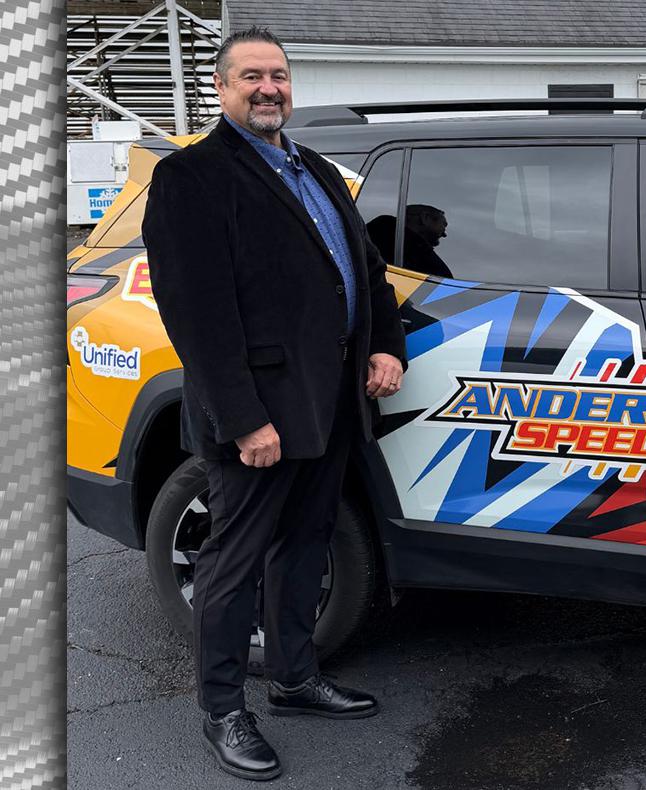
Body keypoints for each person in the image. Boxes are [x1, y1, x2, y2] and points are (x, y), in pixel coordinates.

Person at [142, 27, 406, 782]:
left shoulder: (313, 167)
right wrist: (244, 418)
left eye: (279, 76)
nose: (269, 88)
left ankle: (294, 679)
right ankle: (223, 710)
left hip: (329, 402)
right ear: (221, 87)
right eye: (252, 76)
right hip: (259, 414)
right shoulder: (192, 177)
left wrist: (385, 345)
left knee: (304, 545)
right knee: (232, 565)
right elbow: (195, 311)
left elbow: (366, 269)